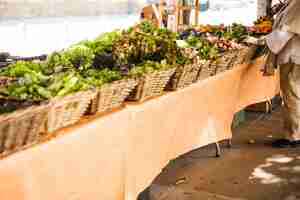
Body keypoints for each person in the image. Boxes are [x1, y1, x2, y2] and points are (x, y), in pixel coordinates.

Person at [265, 0, 300, 148]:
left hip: (293, 56)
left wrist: (265, 44)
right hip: (295, 55)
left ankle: (293, 136)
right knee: (295, 93)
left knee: (291, 95)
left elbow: (283, 34)